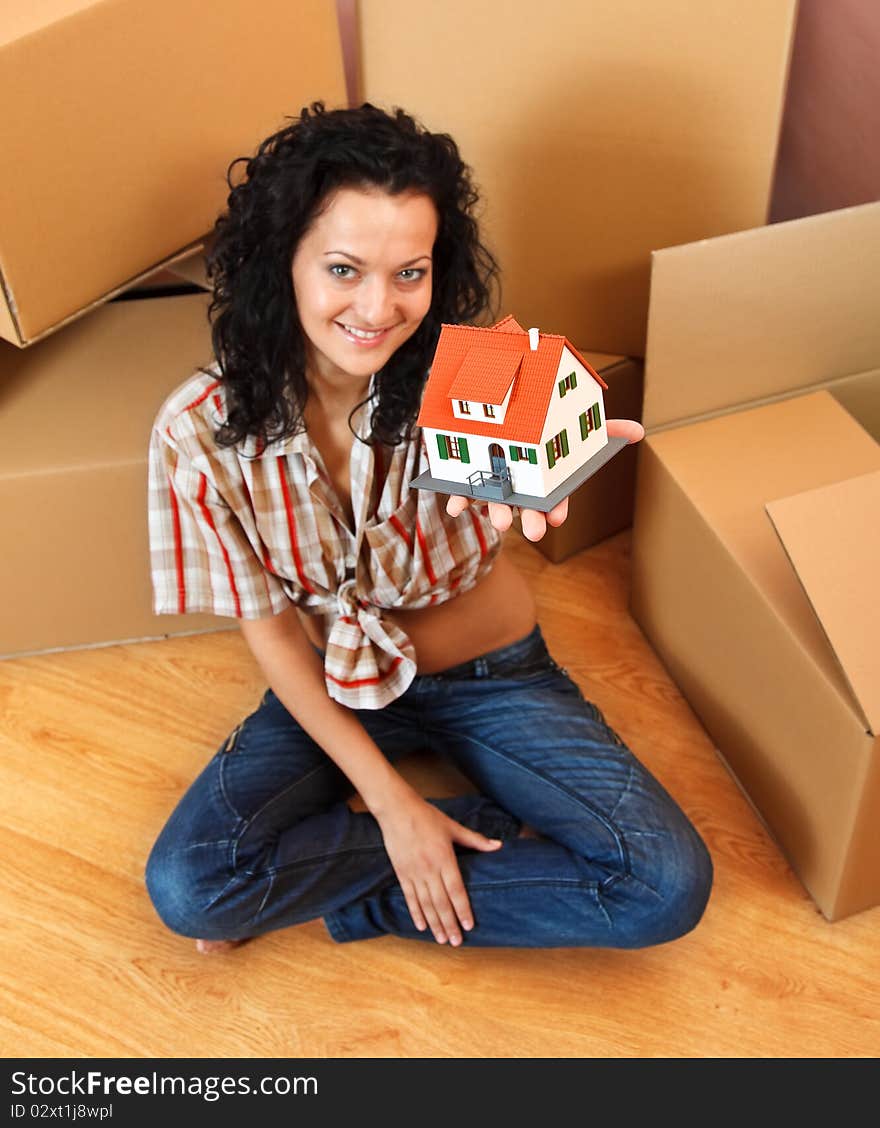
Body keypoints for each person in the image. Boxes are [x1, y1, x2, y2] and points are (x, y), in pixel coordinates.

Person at [145, 102, 712, 952]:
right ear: (282, 263)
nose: (378, 308)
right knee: (191, 889)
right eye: (343, 269)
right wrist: (395, 805)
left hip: (492, 677)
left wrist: (535, 489)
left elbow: (526, 463)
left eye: (409, 273)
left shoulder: (473, 372)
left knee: (664, 888)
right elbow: (272, 638)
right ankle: (448, 833)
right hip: (338, 687)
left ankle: (359, 897)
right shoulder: (199, 431)